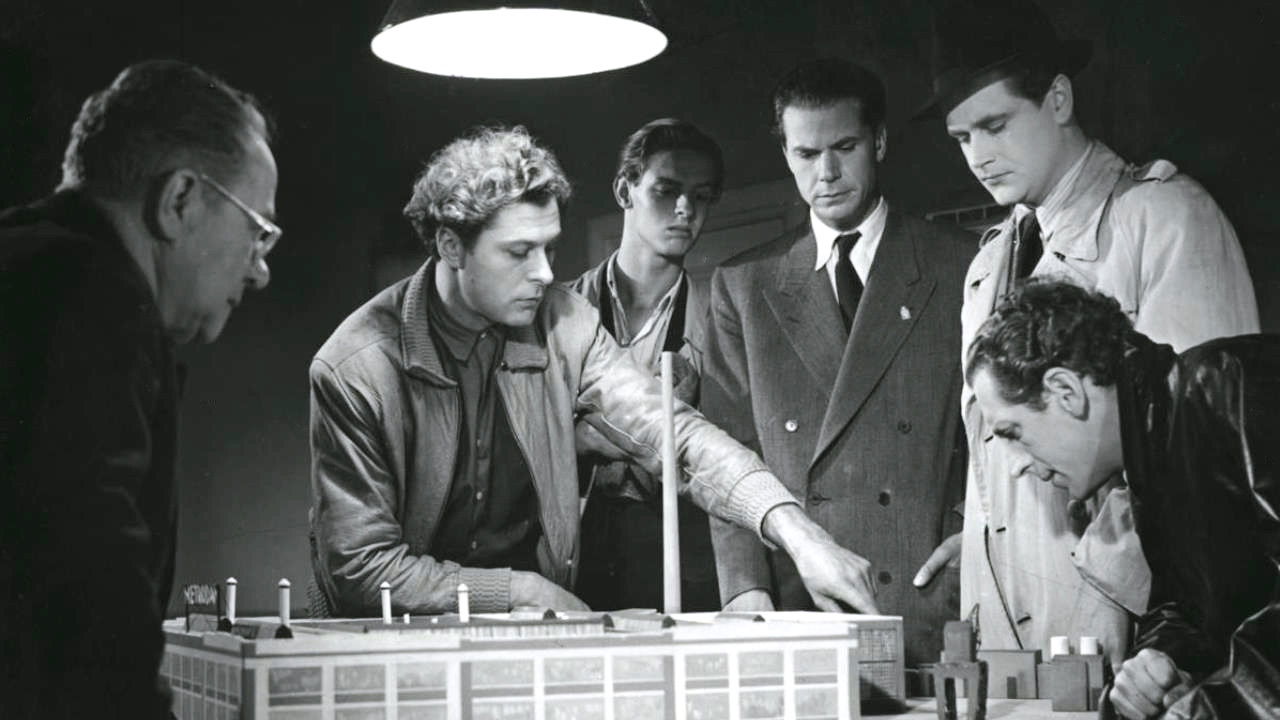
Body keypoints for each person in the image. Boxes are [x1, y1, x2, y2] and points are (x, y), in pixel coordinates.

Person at [308, 124, 877, 619]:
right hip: (395, 644)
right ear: (451, 246)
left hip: (531, 635)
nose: (543, 273)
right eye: (519, 252)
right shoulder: (357, 366)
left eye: (550, 249)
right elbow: (361, 568)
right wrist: (521, 591)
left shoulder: (566, 323)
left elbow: (675, 435)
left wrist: (796, 531)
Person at [922, 0, 1260, 669]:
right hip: (1002, 629)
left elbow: (1202, 470)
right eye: (962, 138)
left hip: (1120, 628)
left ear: (1058, 98)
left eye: (995, 125)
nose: (979, 157)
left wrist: (1155, 635)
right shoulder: (985, 266)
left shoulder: (1163, 221)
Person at [0, 60, 278, 719]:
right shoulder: (89, 300)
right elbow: (89, 601)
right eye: (258, 231)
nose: (260, 271)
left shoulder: (25, 261)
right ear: (180, 200)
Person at [701, 58, 974, 666]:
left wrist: (975, 534)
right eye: (805, 154)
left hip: (928, 588)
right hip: (801, 597)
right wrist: (744, 587)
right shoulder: (744, 284)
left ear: (879, 141)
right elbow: (726, 449)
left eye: (844, 148)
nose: (825, 174)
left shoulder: (959, 265)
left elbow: (993, 434)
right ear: (786, 155)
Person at [967, 279, 1280, 720]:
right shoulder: (1153, 457)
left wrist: (1208, 708)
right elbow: (1193, 610)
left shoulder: (1226, 381)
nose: (1016, 465)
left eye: (1013, 433)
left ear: (1066, 391)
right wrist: (1157, 665)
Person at [570, 118, 723, 611]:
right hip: (574, 554)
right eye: (667, 190)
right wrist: (577, 439)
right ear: (624, 190)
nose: (685, 209)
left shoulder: (719, 323)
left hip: (680, 557)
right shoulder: (560, 314)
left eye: (701, 196)